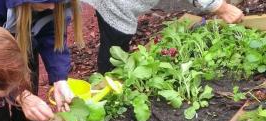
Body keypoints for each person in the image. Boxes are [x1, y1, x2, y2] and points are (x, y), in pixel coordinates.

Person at [80, 0, 245, 74]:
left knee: (116, 40)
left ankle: (116, 73)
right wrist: (220, 7)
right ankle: (108, 79)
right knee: (115, 43)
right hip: (117, 5)